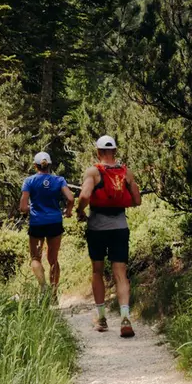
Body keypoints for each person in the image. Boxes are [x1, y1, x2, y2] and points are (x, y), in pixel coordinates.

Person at [78, 134, 141, 337]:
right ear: (114, 151)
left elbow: (85, 195)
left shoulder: (93, 172)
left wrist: (80, 211)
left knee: (97, 271)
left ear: (98, 152)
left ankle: (102, 318)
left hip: (97, 227)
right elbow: (137, 200)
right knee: (120, 273)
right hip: (120, 226)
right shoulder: (126, 173)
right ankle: (125, 318)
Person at [19, 151, 75, 295]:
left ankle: (43, 287)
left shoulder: (29, 181)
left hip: (37, 223)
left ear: (35, 166)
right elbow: (70, 198)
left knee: (35, 257)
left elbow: (23, 207)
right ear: (49, 165)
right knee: (53, 259)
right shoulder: (59, 180)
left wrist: (29, 209)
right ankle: (54, 293)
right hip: (55, 222)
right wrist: (68, 211)